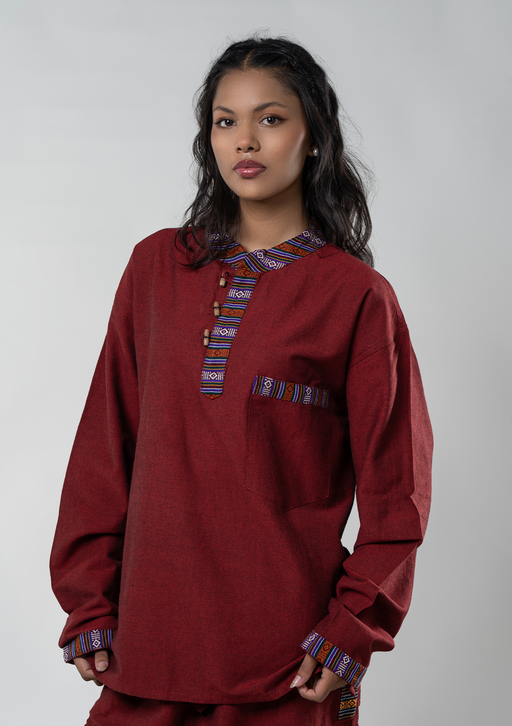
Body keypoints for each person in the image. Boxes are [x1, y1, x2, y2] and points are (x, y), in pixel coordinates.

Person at [50, 36, 433, 726]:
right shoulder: (156, 269)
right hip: (144, 652)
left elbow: (397, 496)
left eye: (271, 118)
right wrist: (88, 601)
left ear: (314, 138)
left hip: (290, 670)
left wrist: (353, 628)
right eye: (225, 121)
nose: (244, 140)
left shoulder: (357, 297)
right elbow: (105, 449)